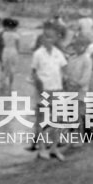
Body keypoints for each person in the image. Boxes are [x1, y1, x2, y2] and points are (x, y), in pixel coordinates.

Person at [30, 24, 68, 160]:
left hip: (57, 90)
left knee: (57, 122)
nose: (48, 40)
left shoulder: (58, 53)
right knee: (41, 121)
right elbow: (33, 74)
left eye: (51, 37)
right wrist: (39, 88)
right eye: (45, 37)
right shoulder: (38, 54)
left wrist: (65, 84)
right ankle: (41, 148)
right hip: (43, 91)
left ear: (56, 38)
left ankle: (54, 148)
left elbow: (64, 70)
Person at [0, 17, 21, 91]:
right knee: (12, 68)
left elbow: (2, 43)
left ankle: (2, 83)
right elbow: (18, 46)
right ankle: (10, 84)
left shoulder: (4, 34)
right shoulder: (16, 35)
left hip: (5, 50)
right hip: (13, 51)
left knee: (4, 67)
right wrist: (18, 54)